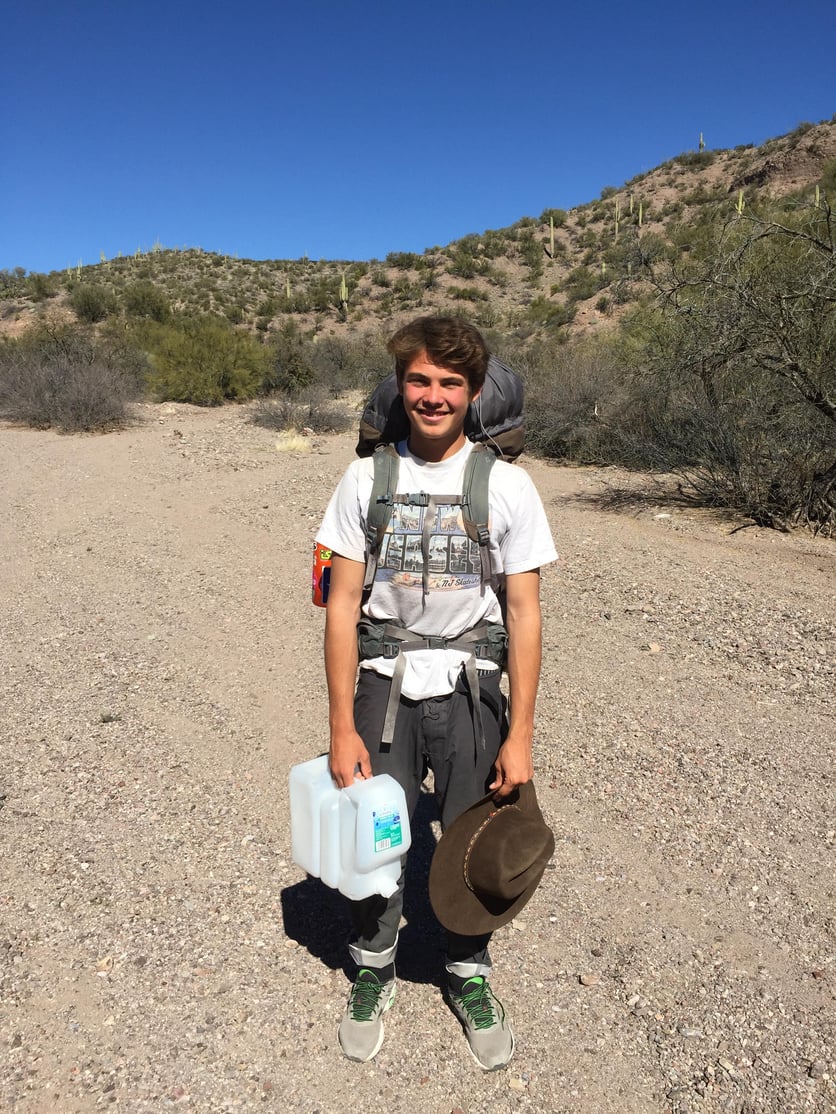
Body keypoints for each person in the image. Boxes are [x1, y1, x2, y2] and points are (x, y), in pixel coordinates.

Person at [315, 316, 557, 1070]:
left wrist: (519, 735)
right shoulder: (364, 481)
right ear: (399, 385)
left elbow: (523, 612)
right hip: (383, 685)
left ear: (474, 393)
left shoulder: (509, 488)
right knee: (376, 834)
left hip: (472, 691)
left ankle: (466, 966)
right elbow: (340, 607)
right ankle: (375, 957)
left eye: (450, 383)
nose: (432, 396)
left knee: (469, 836)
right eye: (419, 380)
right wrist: (339, 727)